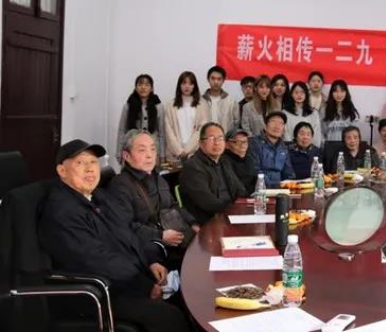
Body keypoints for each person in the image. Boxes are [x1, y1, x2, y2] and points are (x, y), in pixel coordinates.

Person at [39, 140, 191, 332]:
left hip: (122, 281)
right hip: (96, 291)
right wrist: (144, 285)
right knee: (170, 316)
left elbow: (127, 231)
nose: (90, 169)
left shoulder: (99, 197)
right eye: (80, 163)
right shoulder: (62, 211)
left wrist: (151, 260)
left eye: (93, 162)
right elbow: (96, 259)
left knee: (184, 296)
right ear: (62, 171)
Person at [110, 130, 199, 270]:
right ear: (126, 156)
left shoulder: (158, 178)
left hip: (173, 239)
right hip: (149, 250)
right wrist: (161, 235)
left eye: (152, 149)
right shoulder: (120, 185)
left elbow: (173, 205)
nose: (149, 155)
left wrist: (193, 223)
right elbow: (124, 226)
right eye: (142, 150)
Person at [179, 123, 246, 224]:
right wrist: (234, 211)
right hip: (209, 221)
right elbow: (208, 203)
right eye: (211, 138)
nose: (217, 143)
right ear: (201, 143)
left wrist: (244, 207)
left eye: (220, 138)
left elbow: (240, 190)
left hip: (230, 215)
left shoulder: (224, 161)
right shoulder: (192, 167)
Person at [116, 74, 165, 164]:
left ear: (151, 88)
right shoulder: (128, 106)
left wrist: (162, 155)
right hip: (133, 149)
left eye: (147, 85)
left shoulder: (158, 106)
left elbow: (161, 133)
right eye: (140, 84)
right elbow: (122, 130)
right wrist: (119, 153)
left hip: (152, 150)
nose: (143, 87)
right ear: (136, 87)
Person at [164, 71, 209, 162]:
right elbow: (168, 130)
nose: (187, 86)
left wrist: (187, 150)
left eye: (190, 83)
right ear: (179, 85)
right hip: (175, 154)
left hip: (195, 153)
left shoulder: (202, 105)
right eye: (184, 83)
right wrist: (179, 151)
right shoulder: (170, 105)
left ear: (194, 86)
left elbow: (202, 129)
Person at [249, 111, 296, 187]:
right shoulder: (254, 143)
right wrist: (274, 186)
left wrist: (290, 185)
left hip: (279, 189)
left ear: (283, 130)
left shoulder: (283, 148)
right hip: (260, 187)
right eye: (273, 121)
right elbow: (255, 170)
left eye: (281, 123)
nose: (277, 126)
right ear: (265, 126)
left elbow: (288, 172)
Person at [283, 81, 323, 147]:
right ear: (291, 94)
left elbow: (316, 135)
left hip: (309, 149)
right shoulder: (285, 113)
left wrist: (313, 149)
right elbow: (286, 134)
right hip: (290, 149)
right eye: (296, 92)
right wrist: (292, 148)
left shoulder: (314, 113)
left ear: (306, 94)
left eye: (302, 92)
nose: (299, 95)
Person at [201, 66, 240, 133]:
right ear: (208, 79)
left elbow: (236, 123)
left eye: (219, 79)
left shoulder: (232, 101)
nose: (216, 82)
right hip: (206, 137)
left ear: (223, 80)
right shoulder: (200, 101)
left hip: (225, 137)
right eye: (213, 78)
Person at [223, 127, 256, 195]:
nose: (242, 144)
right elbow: (234, 186)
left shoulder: (249, 159)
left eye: (245, 141)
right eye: (237, 142)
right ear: (227, 144)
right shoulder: (224, 161)